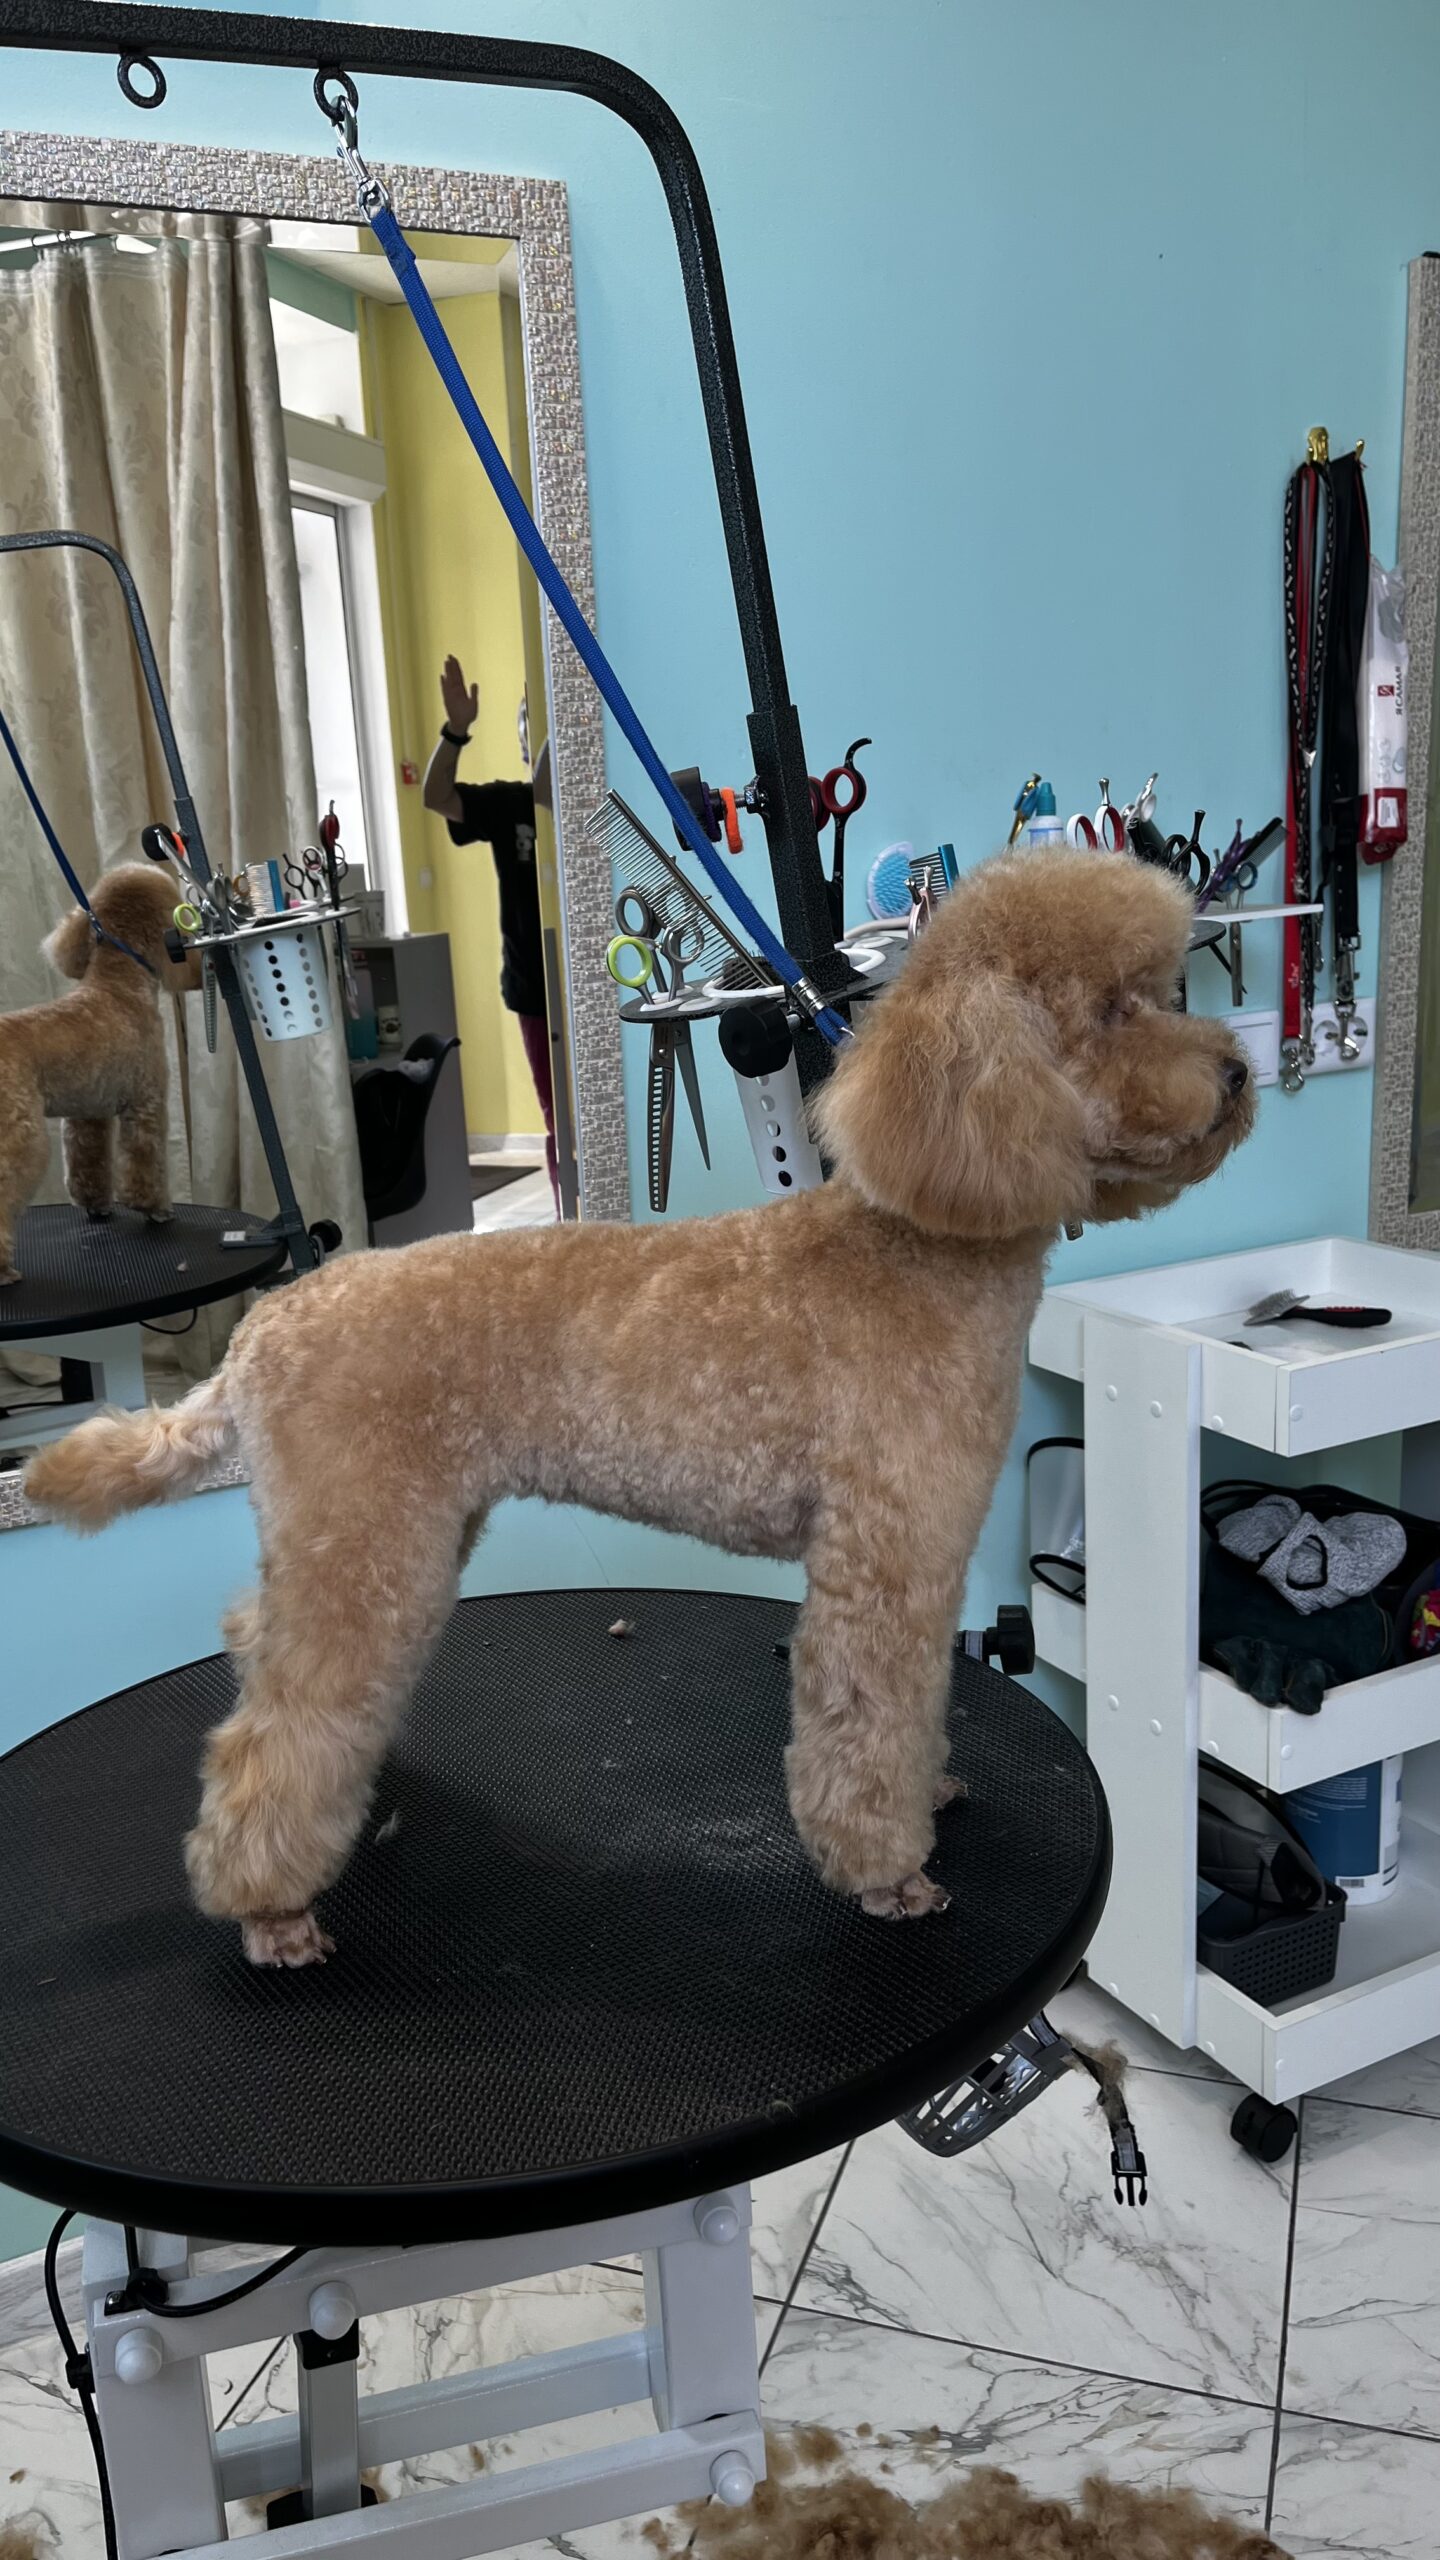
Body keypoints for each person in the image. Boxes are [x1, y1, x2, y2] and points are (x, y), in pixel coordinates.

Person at [422, 655, 560, 1214]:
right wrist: (456, 731)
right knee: (560, 1119)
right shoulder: (508, 804)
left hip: (601, 983)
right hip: (534, 988)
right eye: (534, 730)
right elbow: (437, 797)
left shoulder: (602, 804)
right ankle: (568, 1217)